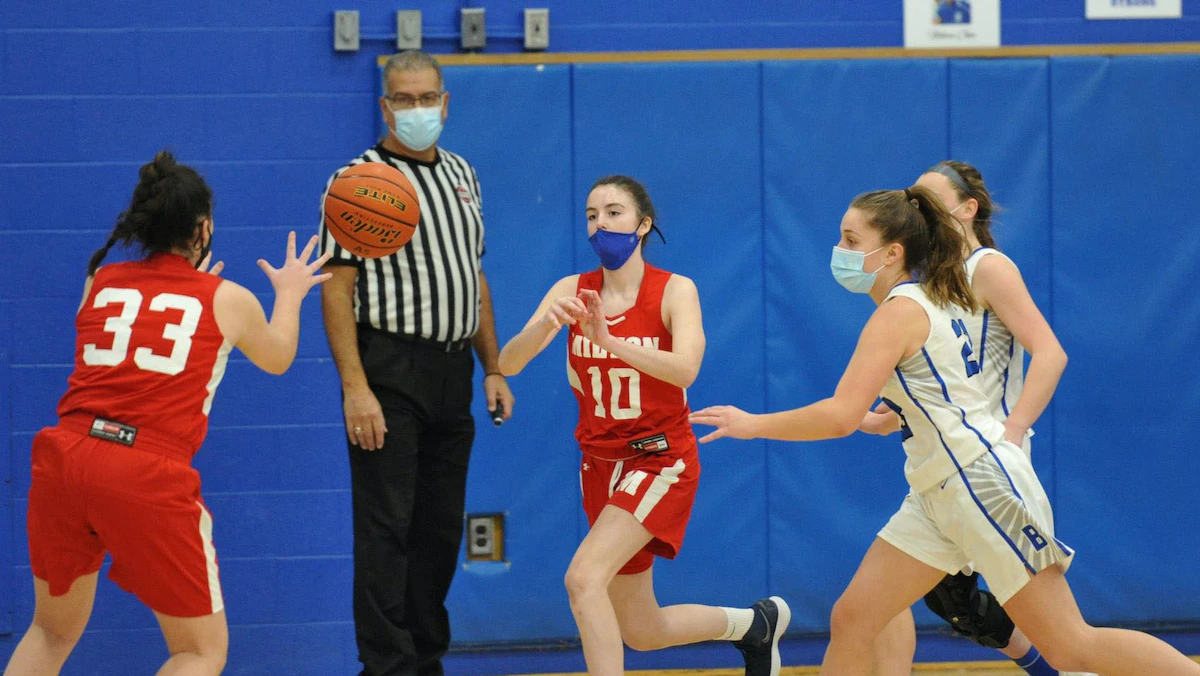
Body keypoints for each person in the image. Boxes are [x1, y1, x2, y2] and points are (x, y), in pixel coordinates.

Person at [690, 185, 1200, 676]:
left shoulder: (899, 314)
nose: (838, 250)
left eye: (850, 240)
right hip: (938, 491)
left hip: (978, 484)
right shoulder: (927, 300)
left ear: (891, 253)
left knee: (1070, 645)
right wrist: (889, 417)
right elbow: (939, 394)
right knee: (854, 618)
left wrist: (751, 424)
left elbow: (840, 415)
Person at [3, 151, 331, 676]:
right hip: (141, 468)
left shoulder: (100, 279)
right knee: (199, 652)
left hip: (64, 458)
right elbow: (278, 358)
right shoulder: (229, 298)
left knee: (49, 631)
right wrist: (289, 294)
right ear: (204, 229)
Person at [497, 176, 789, 676]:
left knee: (582, 579)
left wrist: (610, 341)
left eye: (614, 212)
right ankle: (754, 626)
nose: (601, 224)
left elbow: (686, 369)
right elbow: (508, 363)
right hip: (599, 464)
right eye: (592, 215)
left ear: (643, 224)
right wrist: (547, 323)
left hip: (659, 460)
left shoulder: (675, 290)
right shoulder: (571, 290)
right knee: (641, 629)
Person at [318, 50, 514, 676]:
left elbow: (473, 277)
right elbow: (336, 289)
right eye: (403, 99)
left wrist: (494, 367)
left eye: (427, 97)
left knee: (438, 532)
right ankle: (386, 669)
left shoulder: (463, 174)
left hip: (454, 372)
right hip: (389, 372)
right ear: (385, 106)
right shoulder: (357, 180)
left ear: (445, 102)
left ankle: (425, 661)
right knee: (386, 530)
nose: (417, 109)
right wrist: (355, 388)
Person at [860, 161, 1083, 676]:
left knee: (1068, 640)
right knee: (917, 603)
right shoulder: (935, 279)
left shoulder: (986, 267)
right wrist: (890, 417)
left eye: (930, 201)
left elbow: (1050, 353)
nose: (919, 210)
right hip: (950, 458)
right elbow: (955, 383)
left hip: (986, 463)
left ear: (967, 209)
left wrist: (1013, 430)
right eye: (914, 200)